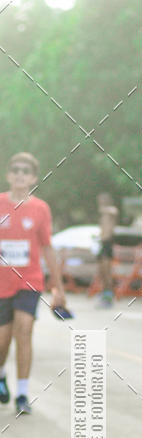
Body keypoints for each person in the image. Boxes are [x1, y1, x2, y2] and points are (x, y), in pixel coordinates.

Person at [0, 152, 65, 415]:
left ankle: (22, 394)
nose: (19, 174)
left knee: (24, 330)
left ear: (33, 178)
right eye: (15, 169)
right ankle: (2, 376)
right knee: (2, 340)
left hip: (29, 281)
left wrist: (58, 288)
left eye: (25, 171)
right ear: (8, 174)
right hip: (1, 283)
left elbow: (47, 248)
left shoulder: (40, 209)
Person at [96, 192, 118, 308]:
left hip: (108, 244)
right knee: (102, 273)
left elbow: (113, 211)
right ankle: (104, 294)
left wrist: (104, 209)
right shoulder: (103, 215)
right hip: (102, 244)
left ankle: (109, 297)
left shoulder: (110, 211)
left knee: (107, 273)